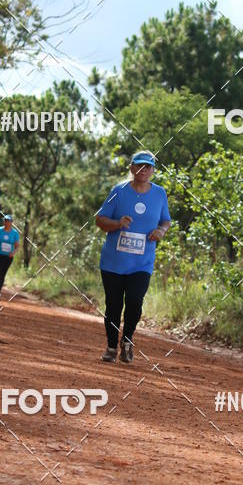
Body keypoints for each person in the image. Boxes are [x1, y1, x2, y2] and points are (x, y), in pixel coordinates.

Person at [96, 150, 171, 363]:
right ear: (131, 168)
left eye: (148, 166)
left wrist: (161, 232)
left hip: (142, 262)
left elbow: (166, 220)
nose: (143, 170)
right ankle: (111, 346)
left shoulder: (159, 194)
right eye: (139, 165)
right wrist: (117, 223)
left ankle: (127, 341)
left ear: (153, 170)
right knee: (113, 305)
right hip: (113, 262)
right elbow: (100, 220)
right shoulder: (118, 191)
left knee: (135, 302)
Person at [0, 214, 19, 300]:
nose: (6, 223)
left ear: (11, 223)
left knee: (3, 274)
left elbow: (17, 245)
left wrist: (14, 252)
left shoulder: (14, 233)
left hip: (8, 257)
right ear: (3, 222)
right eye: (5, 221)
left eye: (8, 221)